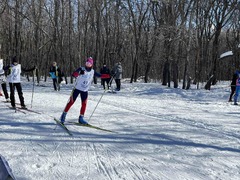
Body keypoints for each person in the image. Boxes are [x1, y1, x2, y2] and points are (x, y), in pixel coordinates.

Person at [59, 57, 101, 124]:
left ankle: (81, 118)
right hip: (77, 89)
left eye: (89, 64)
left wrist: (109, 75)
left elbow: (101, 76)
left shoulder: (92, 72)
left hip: (84, 91)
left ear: (91, 65)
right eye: (87, 63)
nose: (88, 65)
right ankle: (63, 115)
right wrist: (79, 73)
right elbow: (74, 74)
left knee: (84, 104)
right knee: (71, 102)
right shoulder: (81, 69)